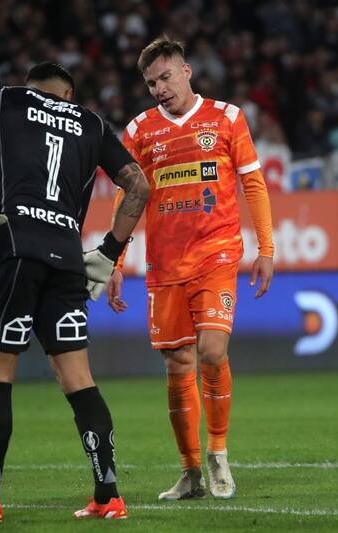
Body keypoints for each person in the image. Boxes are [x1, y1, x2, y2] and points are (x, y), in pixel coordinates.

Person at [0, 62, 149, 523]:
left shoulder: (2, 99)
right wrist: (109, 253)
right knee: (78, 378)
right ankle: (108, 496)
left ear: (30, 86)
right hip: (67, 259)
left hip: (14, 250)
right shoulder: (91, 123)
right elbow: (138, 184)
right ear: (68, 94)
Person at [108, 36, 274, 501]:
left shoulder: (227, 118)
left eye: (165, 77)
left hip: (216, 254)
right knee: (177, 363)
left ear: (186, 72)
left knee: (212, 351)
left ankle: (218, 453)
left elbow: (253, 184)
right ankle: (190, 471)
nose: (159, 88)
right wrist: (115, 258)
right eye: (151, 83)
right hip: (165, 264)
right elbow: (127, 195)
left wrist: (266, 248)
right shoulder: (140, 130)